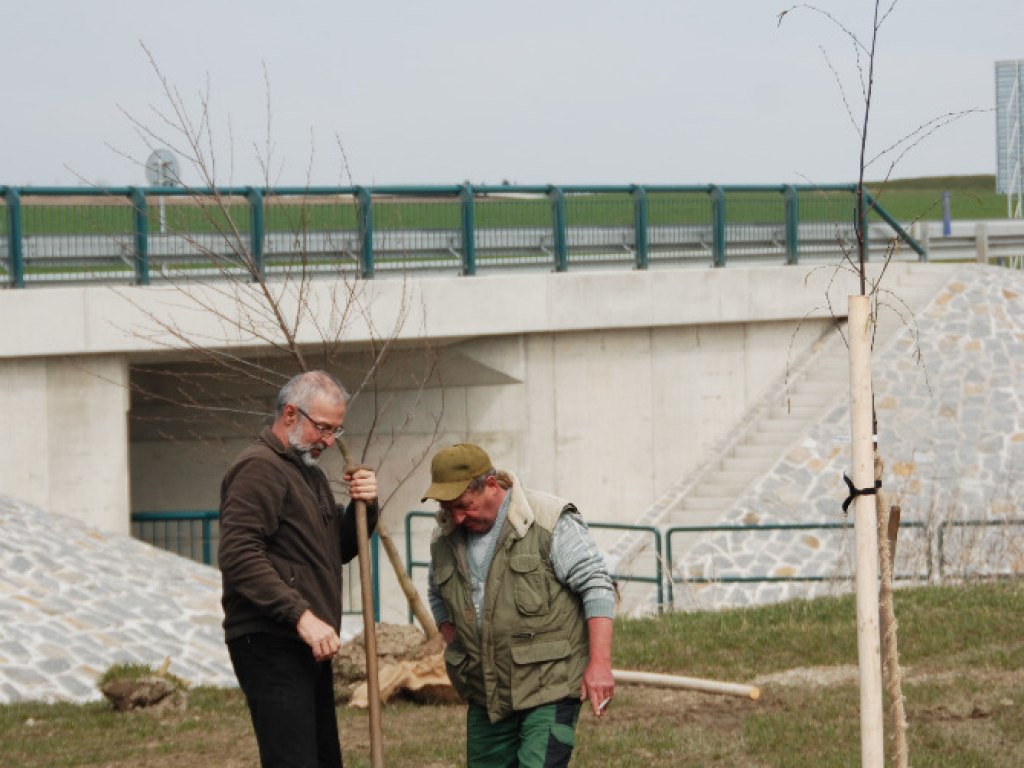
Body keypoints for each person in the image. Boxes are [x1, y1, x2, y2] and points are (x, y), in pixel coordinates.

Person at [218, 370, 379, 768]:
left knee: (323, 760)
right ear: (290, 414)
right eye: (322, 428)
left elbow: (334, 551)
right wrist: (300, 617)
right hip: (272, 640)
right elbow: (239, 553)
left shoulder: (309, 474)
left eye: (335, 431)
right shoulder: (259, 468)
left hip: (308, 643)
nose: (328, 440)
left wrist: (365, 507)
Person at [423, 443, 616, 768]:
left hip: (548, 687)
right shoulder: (444, 536)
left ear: (491, 486)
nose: (455, 516)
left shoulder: (548, 519)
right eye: (448, 507)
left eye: (463, 505)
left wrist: (599, 665)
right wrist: (460, 644)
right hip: (487, 695)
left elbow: (596, 584)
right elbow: (437, 594)